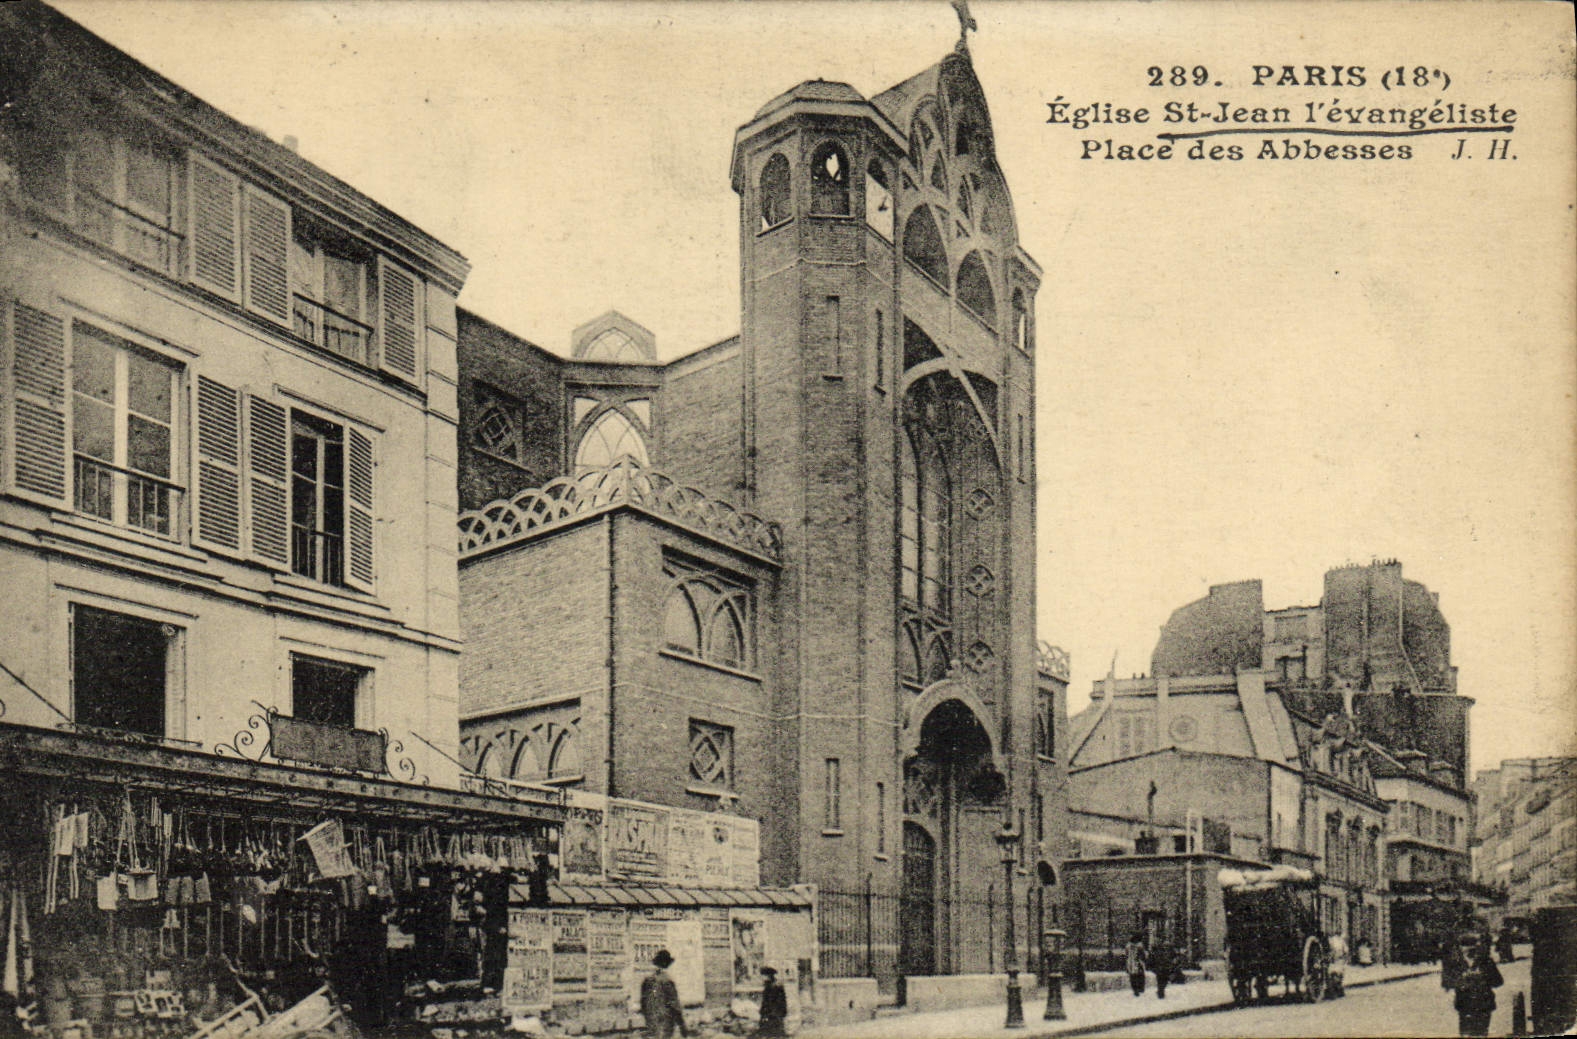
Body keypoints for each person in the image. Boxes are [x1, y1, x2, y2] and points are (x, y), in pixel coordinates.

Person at [1450, 937, 1503, 1038]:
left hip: (1483, 1004)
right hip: (1465, 1005)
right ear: (1461, 948)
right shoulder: (1456, 963)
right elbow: (1448, 981)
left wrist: (1484, 977)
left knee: (1481, 1034)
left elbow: (1498, 981)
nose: (1469, 950)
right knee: (1466, 1034)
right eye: (1466, 947)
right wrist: (1462, 980)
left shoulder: (1486, 961)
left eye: (1472, 947)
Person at [640, 950, 690, 1039]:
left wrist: (648, 1018)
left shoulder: (647, 980)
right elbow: (674, 1004)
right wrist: (682, 1026)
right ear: (666, 964)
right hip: (665, 1021)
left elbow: (643, 1003)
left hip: (651, 1022)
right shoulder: (667, 980)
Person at [756, 965, 788, 1037]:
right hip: (772, 1015)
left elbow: (776, 1002)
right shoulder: (770, 985)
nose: (762, 978)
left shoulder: (774, 986)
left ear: (769, 976)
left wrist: (767, 1014)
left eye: (763, 975)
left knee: (773, 1034)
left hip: (773, 1015)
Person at [1124, 933, 1148, 997]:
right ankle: (1140, 988)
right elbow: (1143, 955)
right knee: (1140, 976)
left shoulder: (1128, 946)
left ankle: (1135, 989)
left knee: (1133, 977)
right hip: (1138, 963)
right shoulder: (1140, 946)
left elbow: (1126, 955)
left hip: (1130, 963)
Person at [1326, 933, 1348, 998]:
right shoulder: (1341, 940)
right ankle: (1337, 990)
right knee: (1338, 975)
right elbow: (1346, 951)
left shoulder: (1331, 940)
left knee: (1334, 974)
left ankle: (1335, 990)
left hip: (1335, 960)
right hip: (1338, 959)